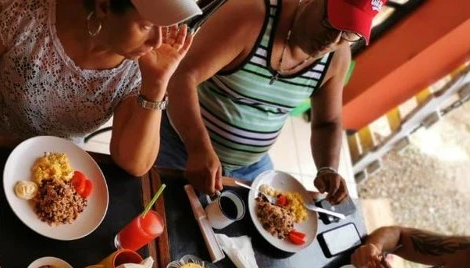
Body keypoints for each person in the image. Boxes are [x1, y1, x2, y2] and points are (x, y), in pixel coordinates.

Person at [0, 0, 198, 175]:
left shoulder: (140, 61)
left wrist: (156, 84)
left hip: (47, 168)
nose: (157, 41)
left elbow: (134, 163)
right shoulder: (29, 11)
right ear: (104, 6)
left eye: (166, 26)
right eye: (147, 26)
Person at [162, 0, 385, 197]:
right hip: (181, 142)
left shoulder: (336, 57)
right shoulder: (251, 16)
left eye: (348, 33)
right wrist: (198, 147)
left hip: (250, 166)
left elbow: (328, 122)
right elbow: (181, 76)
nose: (332, 40)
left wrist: (328, 168)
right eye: (330, 22)